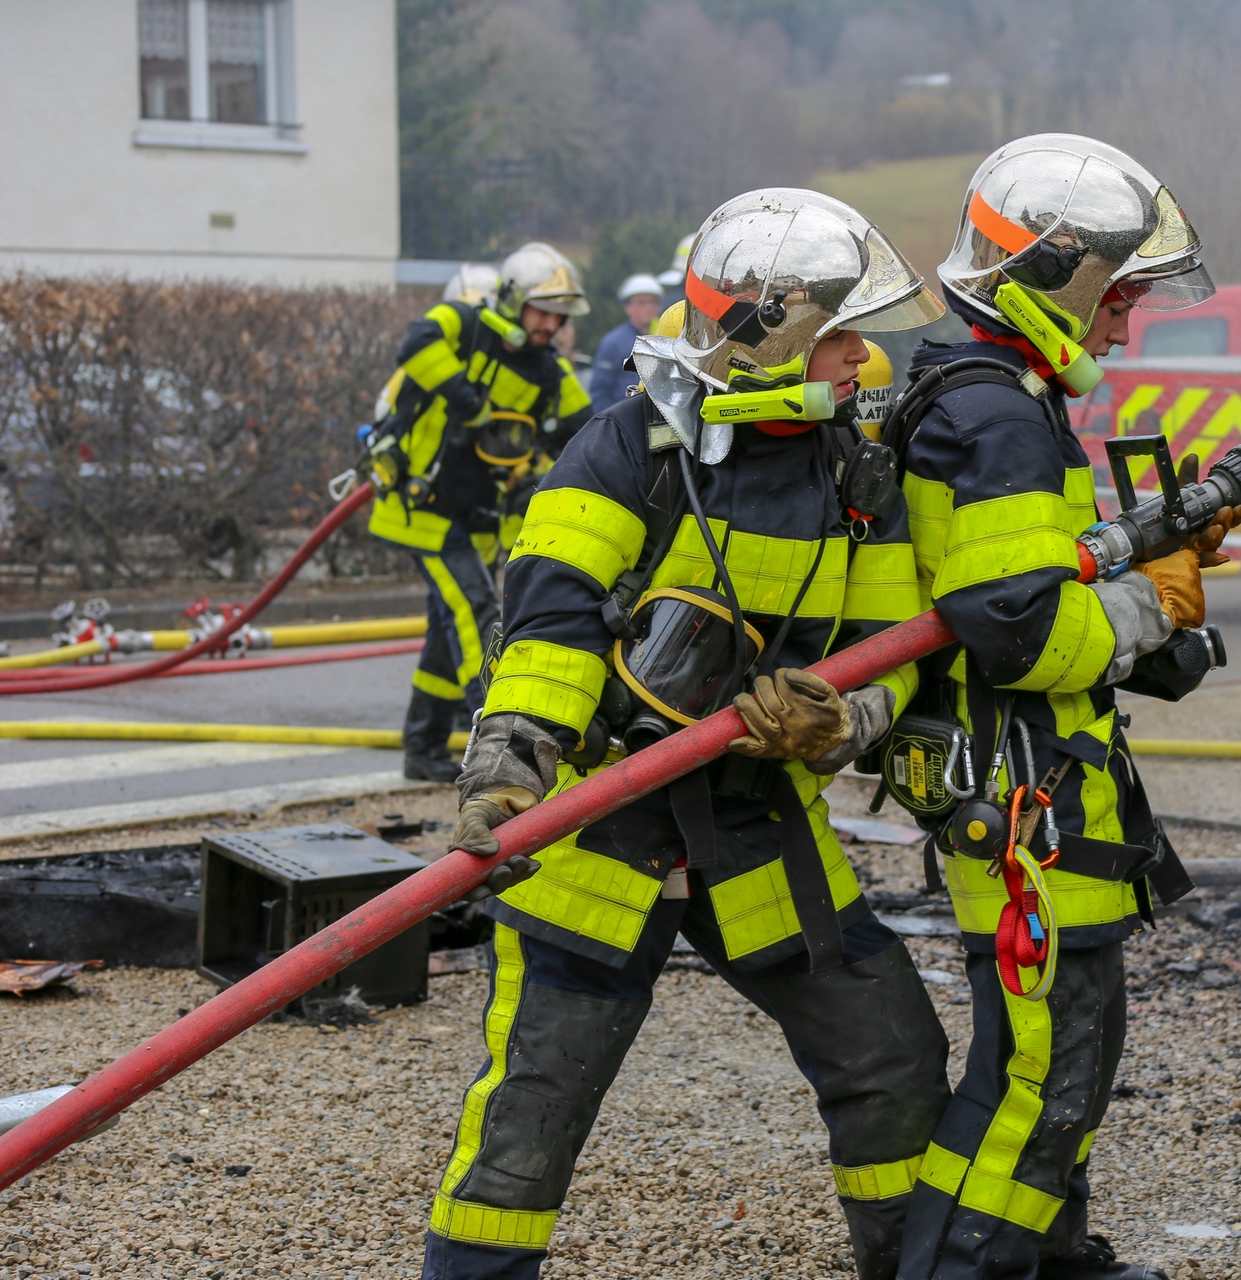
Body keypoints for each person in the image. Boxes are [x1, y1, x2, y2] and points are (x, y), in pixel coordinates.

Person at [422, 189, 953, 1280]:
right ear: (770, 328)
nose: (867, 359)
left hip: (758, 828)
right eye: (845, 334)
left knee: (889, 1050)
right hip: (602, 824)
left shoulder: (857, 473)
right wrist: (509, 764)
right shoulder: (627, 446)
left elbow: (892, 645)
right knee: (533, 1115)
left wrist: (835, 722)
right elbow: (554, 618)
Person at [891, 134, 1241, 1280]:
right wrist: (1158, 595)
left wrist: (1149, 585)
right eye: (1120, 298)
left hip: (1039, 794)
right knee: (1039, 1074)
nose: (1124, 326)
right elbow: (1025, 629)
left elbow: (1040, 587)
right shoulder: (994, 416)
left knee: (1067, 1057)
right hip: (1026, 808)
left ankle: (1053, 1254)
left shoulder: (993, 395)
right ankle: (968, 1266)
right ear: (1062, 277)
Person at [365, 243, 596, 782]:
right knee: (474, 612)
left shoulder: (547, 371)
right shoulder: (463, 325)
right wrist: (462, 396)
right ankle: (492, 747)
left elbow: (584, 430)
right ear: (514, 299)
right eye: (541, 310)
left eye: (557, 315)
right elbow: (416, 343)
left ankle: (422, 749)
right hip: (421, 505)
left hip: (478, 515)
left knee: (447, 631)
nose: (549, 324)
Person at [584, 273, 665, 409]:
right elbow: (600, 392)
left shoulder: (664, 338)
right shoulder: (612, 343)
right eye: (641, 302)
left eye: (652, 301)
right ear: (627, 307)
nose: (648, 307)